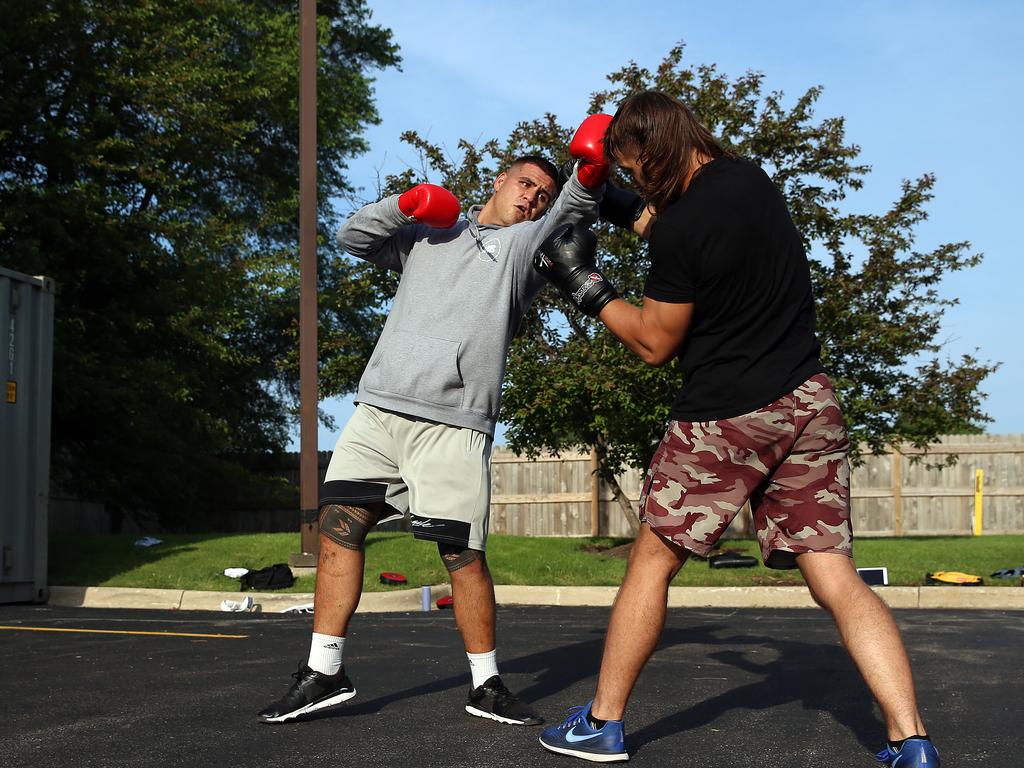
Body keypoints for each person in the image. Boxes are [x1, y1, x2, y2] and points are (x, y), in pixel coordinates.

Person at [532, 91, 940, 767]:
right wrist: (623, 207)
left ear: (656, 152)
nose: (636, 183)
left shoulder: (680, 233)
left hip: (726, 418)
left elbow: (656, 342)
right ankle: (911, 738)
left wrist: (588, 287)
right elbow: (685, 224)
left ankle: (601, 723)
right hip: (808, 402)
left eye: (636, 171)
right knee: (835, 574)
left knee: (652, 564)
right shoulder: (750, 178)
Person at [257, 116, 612, 727]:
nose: (532, 198)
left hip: (452, 422)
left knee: (459, 553)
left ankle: (486, 684)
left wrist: (595, 166)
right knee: (338, 529)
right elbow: (350, 236)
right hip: (378, 408)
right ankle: (323, 670)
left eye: (542, 195)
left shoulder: (525, 250)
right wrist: (407, 202)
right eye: (525, 184)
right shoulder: (432, 230)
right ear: (499, 180)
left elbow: (576, 204)